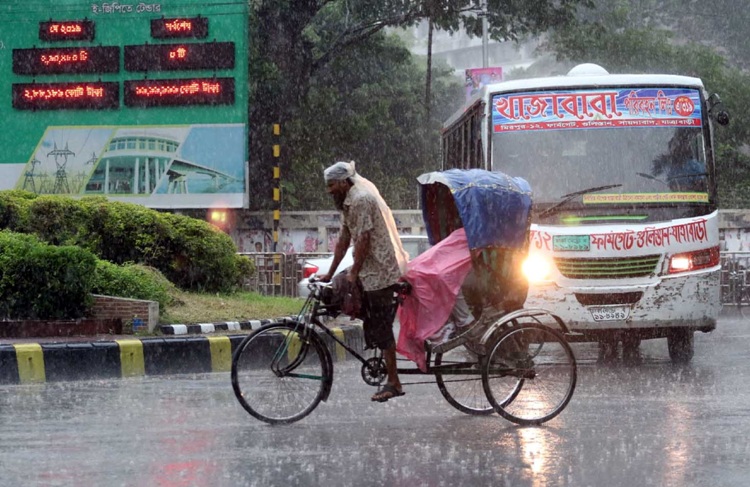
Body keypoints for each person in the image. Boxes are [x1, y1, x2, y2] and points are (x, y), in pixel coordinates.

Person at [320, 160, 409, 402]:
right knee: (336, 289)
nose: (329, 191)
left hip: (379, 271)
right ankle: (373, 345)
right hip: (367, 269)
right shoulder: (347, 203)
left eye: (331, 185)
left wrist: (353, 272)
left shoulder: (360, 199)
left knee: (381, 325)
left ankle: (394, 382)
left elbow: (364, 239)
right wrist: (330, 273)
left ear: (343, 182)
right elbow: (344, 239)